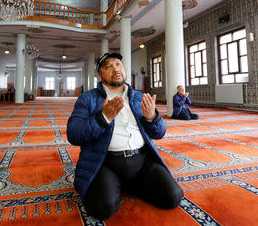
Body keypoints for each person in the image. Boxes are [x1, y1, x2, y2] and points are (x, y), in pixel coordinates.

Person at [67, 53, 183, 220]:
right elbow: (73, 133)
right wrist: (103, 117)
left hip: (141, 162)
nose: (115, 68)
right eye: (108, 66)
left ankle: (127, 184)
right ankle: (115, 184)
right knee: (101, 208)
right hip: (105, 163)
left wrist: (152, 118)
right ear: (100, 76)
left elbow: (160, 132)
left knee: (173, 196)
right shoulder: (88, 99)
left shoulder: (139, 97)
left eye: (118, 64)